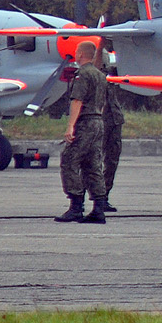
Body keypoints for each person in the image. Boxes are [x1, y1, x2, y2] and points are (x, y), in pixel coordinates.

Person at [56, 39, 110, 224]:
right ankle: (99, 208)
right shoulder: (100, 75)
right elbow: (102, 102)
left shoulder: (83, 75)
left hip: (85, 122)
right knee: (92, 165)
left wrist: (71, 125)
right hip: (98, 122)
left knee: (69, 160)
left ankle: (76, 205)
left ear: (80, 54)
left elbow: (77, 100)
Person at [98, 42, 124, 213]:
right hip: (98, 122)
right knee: (93, 161)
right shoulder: (90, 76)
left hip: (114, 120)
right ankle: (89, 196)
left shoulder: (113, 75)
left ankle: (104, 196)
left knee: (112, 160)